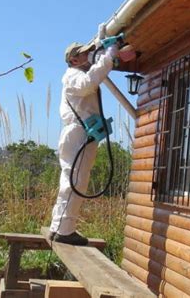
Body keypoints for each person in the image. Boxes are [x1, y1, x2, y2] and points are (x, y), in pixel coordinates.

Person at [49, 39, 118, 245]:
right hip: (79, 133)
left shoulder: (76, 74)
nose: (89, 55)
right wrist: (109, 56)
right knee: (76, 181)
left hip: (80, 133)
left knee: (72, 179)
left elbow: (91, 79)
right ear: (73, 59)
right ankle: (64, 231)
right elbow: (89, 83)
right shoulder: (73, 76)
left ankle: (59, 226)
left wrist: (103, 51)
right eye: (85, 53)